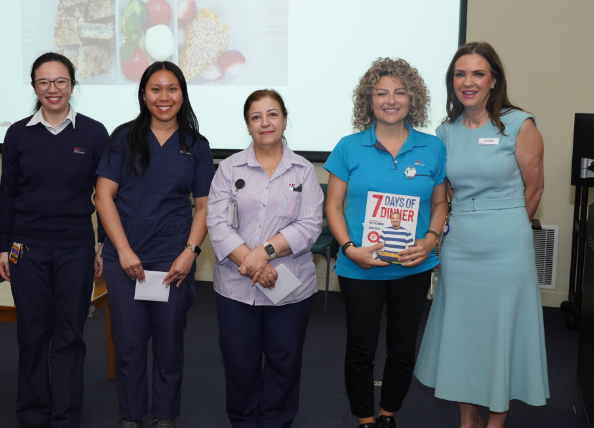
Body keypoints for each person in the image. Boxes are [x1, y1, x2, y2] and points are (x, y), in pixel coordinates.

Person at [414, 42, 548, 428]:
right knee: (464, 335)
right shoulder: (444, 132)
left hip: (508, 247)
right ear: (452, 82)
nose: (468, 82)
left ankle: (496, 422)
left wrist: (504, 224)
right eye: (460, 74)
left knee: (501, 333)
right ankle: (467, 420)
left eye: (477, 73)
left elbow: (534, 189)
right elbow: (449, 192)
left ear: (494, 81)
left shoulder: (519, 124)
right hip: (460, 248)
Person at [323, 58, 448, 428]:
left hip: (413, 266)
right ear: (369, 100)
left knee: (402, 348)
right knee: (360, 349)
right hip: (359, 267)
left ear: (413, 99)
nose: (390, 100)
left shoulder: (433, 148)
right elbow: (333, 206)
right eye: (381, 93)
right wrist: (348, 248)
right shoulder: (348, 147)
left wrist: (430, 241)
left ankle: (388, 414)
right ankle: (364, 419)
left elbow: (441, 202)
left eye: (399, 92)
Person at [94, 61, 214, 428]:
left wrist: (189, 254)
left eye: (172, 89)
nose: (164, 97)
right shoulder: (123, 137)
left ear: (183, 94)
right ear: (144, 94)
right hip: (124, 259)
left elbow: (205, 206)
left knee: (168, 346)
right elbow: (103, 196)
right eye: (156, 89)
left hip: (171, 261)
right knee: (128, 346)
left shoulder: (196, 145)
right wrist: (124, 251)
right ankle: (130, 417)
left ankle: (164, 416)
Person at [0, 52, 109, 428]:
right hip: (27, 250)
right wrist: (3, 248)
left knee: (68, 336)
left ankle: (64, 417)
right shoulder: (17, 134)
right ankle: (32, 415)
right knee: (32, 335)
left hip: (76, 248)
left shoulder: (94, 133)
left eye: (60, 81)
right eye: (44, 82)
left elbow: (107, 197)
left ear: (73, 85)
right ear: (34, 87)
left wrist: (101, 245)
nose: (53, 89)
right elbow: (7, 195)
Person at [206, 89, 323, 427]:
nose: (265, 123)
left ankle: (276, 422)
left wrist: (264, 253)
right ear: (248, 125)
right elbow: (217, 223)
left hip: (289, 286)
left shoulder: (303, 171)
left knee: (284, 363)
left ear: (284, 120)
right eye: (256, 117)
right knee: (239, 364)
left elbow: (311, 224)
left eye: (272, 114)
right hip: (235, 287)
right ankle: (243, 421)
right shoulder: (229, 169)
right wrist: (252, 262)